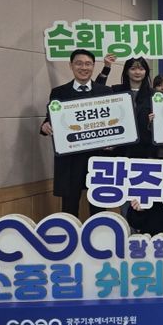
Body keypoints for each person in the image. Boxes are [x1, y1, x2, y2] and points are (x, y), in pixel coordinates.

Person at [40, 49, 113, 218]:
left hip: (97, 158)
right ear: (71, 65)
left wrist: (113, 142)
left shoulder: (105, 92)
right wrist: (45, 126)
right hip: (70, 160)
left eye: (88, 64)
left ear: (93, 66)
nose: (84, 68)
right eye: (79, 63)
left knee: (99, 207)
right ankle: (70, 234)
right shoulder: (59, 92)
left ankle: (99, 234)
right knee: (69, 207)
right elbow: (51, 118)